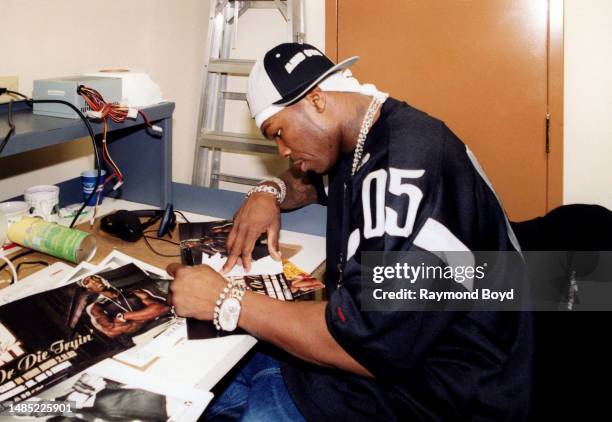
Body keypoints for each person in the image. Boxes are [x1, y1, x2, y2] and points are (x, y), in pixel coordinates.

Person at [168, 43, 533, 421]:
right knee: (202, 386)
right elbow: (309, 185)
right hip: (388, 358)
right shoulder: (366, 135)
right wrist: (269, 193)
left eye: (278, 132)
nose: (282, 152)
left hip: (441, 390)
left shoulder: (405, 173)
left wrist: (227, 300)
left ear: (315, 100)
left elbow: (367, 344)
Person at [78, 274, 171, 338]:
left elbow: (164, 308)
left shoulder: (133, 292)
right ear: (88, 290)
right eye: (87, 282)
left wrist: (126, 316)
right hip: (143, 337)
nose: (95, 282)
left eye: (94, 278)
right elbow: (111, 331)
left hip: (168, 324)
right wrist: (148, 315)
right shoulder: (95, 307)